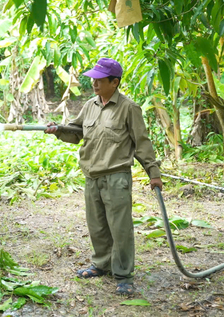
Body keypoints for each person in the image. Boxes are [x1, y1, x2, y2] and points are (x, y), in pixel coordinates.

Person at [45, 57, 163, 296]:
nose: (94, 84)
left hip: (116, 176)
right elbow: (76, 132)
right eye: (93, 80)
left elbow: (141, 143)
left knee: (120, 228)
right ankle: (101, 264)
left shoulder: (129, 108)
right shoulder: (90, 105)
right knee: (97, 225)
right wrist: (58, 130)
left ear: (115, 82)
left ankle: (123, 274)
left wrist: (154, 173)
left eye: (99, 80)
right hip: (92, 176)